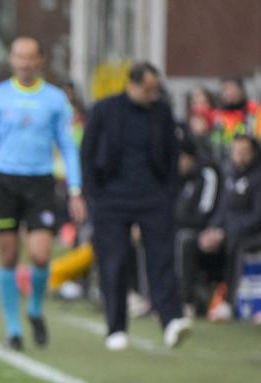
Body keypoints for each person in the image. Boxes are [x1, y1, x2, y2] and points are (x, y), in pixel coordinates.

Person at [0, 36, 86, 350]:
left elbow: (69, 146)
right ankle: (13, 329)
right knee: (8, 255)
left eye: (30, 57)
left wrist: (75, 189)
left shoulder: (56, 99)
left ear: (40, 60)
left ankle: (35, 309)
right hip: (5, 182)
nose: (24, 63)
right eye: (18, 56)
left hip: (41, 182)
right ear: (12, 60)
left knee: (41, 255)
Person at [81, 62, 191, 350]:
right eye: (148, 89)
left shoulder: (162, 112)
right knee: (114, 261)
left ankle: (170, 319)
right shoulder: (105, 110)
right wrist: (93, 195)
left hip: (153, 197)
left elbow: (171, 154)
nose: (153, 95)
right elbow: (88, 153)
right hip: (112, 198)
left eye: (156, 89)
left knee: (161, 259)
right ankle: (116, 327)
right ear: (132, 84)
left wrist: (169, 193)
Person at [193, 135, 261, 322]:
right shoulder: (229, 175)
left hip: (250, 234)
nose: (239, 156)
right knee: (189, 241)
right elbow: (221, 210)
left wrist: (226, 232)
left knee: (236, 244)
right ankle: (189, 301)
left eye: (244, 152)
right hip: (227, 232)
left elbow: (256, 216)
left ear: (253, 153)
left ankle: (229, 300)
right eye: (236, 152)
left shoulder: (258, 178)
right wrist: (212, 229)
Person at [173, 130, 221, 316]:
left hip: (206, 231)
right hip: (186, 228)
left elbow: (206, 213)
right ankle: (156, 297)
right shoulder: (183, 179)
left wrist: (176, 222)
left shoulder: (207, 173)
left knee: (183, 239)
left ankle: (187, 302)